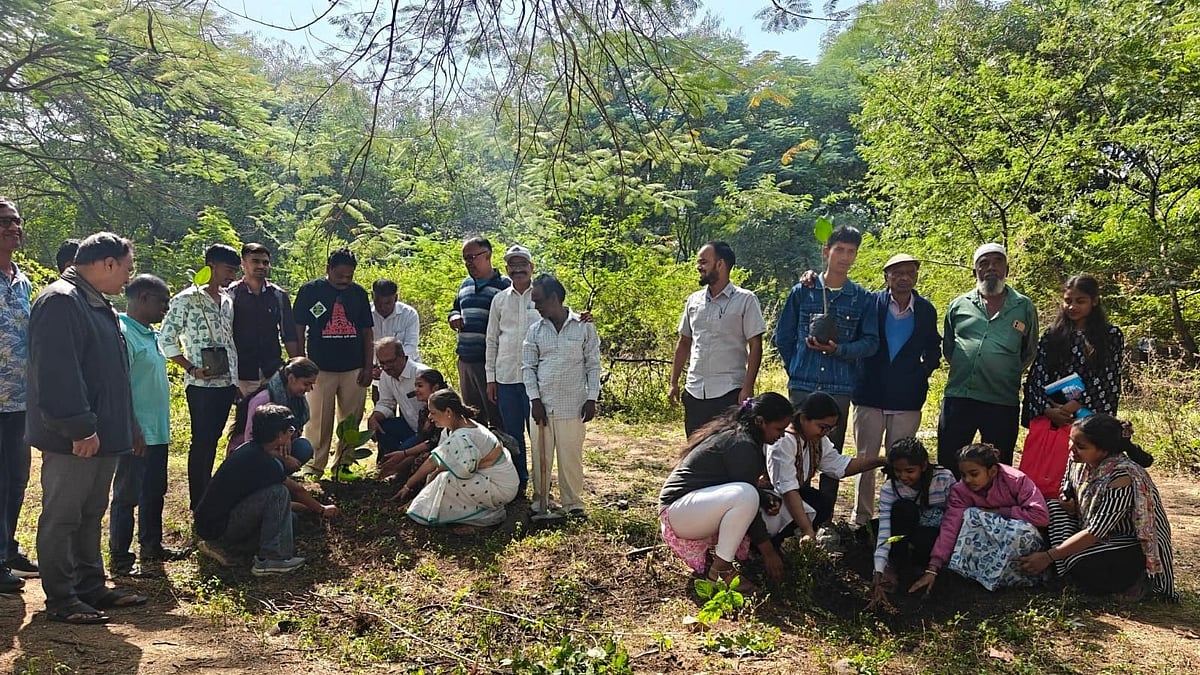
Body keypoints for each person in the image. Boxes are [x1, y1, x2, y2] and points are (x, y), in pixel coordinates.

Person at [28, 232, 144, 624]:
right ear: (108, 263)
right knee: (63, 514)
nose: (128, 279)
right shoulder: (61, 301)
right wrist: (79, 428)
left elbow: (113, 374)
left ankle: (90, 586)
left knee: (92, 510)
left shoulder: (97, 303)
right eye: (127, 269)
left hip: (104, 433)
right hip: (75, 437)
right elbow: (59, 373)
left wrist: (128, 426)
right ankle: (61, 597)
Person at [773, 225, 879, 508]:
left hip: (839, 385)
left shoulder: (861, 298)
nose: (845, 257)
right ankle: (794, 513)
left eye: (851, 252)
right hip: (803, 384)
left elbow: (871, 342)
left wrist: (840, 350)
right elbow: (782, 336)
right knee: (793, 447)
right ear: (826, 251)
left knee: (832, 451)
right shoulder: (802, 292)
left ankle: (825, 517)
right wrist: (796, 365)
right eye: (839, 250)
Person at [1018, 415, 1176, 601]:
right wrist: (1068, 500)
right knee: (1052, 508)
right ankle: (1064, 570)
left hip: (1128, 542)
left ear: (1103, 451)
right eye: (1071, 441)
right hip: (1093, 530)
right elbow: (1066, 486)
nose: (1071, 449)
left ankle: (1135, 581)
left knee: (1077, 561)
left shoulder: (1122, 477)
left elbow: (1097, 531)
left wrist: (1048, 556)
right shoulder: (1078, 461)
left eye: (1081, 446)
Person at [658, 393, 793, 591]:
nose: (781, 435)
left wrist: (765, 498)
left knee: (762, 503)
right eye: (779, 429)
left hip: (694, 509)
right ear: (760, 421)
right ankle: (721, 570)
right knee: (747, 495)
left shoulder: (743, 437)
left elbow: (730, 485)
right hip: (678, 514)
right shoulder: (741, 444)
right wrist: (769, 553)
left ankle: (731, 558)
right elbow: (745, 495)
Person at [849, 253, 941, 527]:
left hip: (907, 398)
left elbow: (933, 347)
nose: (903, 278)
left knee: (901, 461)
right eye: (896, 273)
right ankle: (861, 518)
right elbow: (855, 340)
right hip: (869, 394)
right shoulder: (870, 304)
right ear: (886, 276)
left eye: (909, 273)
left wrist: (922, 372)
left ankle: (894, 516)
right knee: (865, 459)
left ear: (916, 276)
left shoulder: (925, 310)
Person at [195, 404, 337, 576]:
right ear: (279, 435)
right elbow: (296, 490)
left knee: (289, 519)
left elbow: (256, 501)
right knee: (279, 492)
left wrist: (303, 508)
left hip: (216, 522)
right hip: (218, 527)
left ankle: (232, 548)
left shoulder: (251, 450)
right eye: (290, 431)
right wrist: (322, 510)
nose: (292, 435)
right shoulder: (263, 461)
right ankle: (272, 559)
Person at [109, 274, 189, 578]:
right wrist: (133, 428)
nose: (165, 308)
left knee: (155, 490)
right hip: (137, 432)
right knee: (127, 493)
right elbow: (120, 387)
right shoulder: (123, 332)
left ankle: (152, 547)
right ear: (143, 298)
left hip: (157, 431)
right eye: (162, 301)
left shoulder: (151, 334)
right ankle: (120, 556)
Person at [1020, 275, 1123, 496]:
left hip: (1086, 416)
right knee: (1042, 477)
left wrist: (1073, 407)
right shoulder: (1052, 334)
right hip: (1050, 417)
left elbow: (1108, 379)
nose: (1072, 306)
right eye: (1068, 300)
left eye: (1080, 300)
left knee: (1078, 479)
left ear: (1094, 301)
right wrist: (1047, 409)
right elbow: (1037, 375)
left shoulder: (1110, 335)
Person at [939, 243, 1038, 471]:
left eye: (997, 262)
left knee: (998, 465)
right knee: (950, 461)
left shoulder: (1023, 307)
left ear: (1007, 269)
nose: (991, 267)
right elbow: (950, 348)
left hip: (1001, 399)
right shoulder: (958, 305)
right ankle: (949, 506)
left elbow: (1029, 350)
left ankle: (994, 507)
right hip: (960, 396)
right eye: (984, 263)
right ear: (975, 272)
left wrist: (1004, 369)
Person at [159, 243, 241, 510]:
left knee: (215, 438)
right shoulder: (186, 299)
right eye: (228, 269)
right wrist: (190, 367)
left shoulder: (228, 300)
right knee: (202, 440)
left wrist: (235, 380)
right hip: (200, 384)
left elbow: (229, 341)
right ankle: (199, 500)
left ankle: (209, 493)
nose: (231, 275)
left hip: (226, 381)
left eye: (234, 270)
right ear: (211, 266)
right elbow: (166, 339)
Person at [910, 444, 1048, 594]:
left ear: (993, 471)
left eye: (974, 474)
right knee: (970, 517)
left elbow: (1040, 516)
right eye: (963, 475)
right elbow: (950, 527)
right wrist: (933, 567)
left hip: (1020, 544)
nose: (968, 480)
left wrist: (999, 511)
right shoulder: (961, 491)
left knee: (981, 517)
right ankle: (972, 579)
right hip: (990, 545)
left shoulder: (1015, 480)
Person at [522, 274, 601, 519]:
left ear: (554, 298)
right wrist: (534, 400)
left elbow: (593, 364)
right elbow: (528, 367)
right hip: (542, 406)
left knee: (570, 457)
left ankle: (573, 504)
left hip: (573, 405)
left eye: (539, 301)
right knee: (540, 456)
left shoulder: (584, 325)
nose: (536, 306)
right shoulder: (535, 330)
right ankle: (541, 503)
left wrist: (592, 398)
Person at [669, 241, 766, 437]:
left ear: (720, 264)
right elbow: (684, 342)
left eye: (704, 262)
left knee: (726, 450)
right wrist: (674, 382)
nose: (699, 267)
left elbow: (756, 345)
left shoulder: (745, 300)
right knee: (695, 452)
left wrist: (747, 389)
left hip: (729, 393)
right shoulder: (693, 300)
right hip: (695, 391)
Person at [761, 392, 886, 544]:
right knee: (804, 506)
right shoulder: (784, 441)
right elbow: (787, 490)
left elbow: (840, 466)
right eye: (822, 427)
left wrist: (881, 461)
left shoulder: (817, 440)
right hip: (768, 499)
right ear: (803, 418)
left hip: (788, 494)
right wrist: (808, 530)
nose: (825, 433)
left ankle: (793, 540)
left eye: (829, 429)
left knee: (821, 502)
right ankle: (774, 544)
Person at [293, 248, 375, 478]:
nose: (344, 281)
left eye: (349, 276)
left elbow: (367, 332)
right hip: (319, 368)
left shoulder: (358, 294)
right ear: (328, 269)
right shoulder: (310, 291)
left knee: (351, 420)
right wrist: (300, 363)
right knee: (318, 420)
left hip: (353, 368)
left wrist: (368, 366)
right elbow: (298, 328)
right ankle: (314, 466)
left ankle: (343, 464)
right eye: (340, 276)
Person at [395, 389, 520, 533]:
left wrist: (414, 492)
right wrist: (412, 488)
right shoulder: (455, 428)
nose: (430, 417)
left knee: (444, 480)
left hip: (500, 487)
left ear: (448, 412)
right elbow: (435, 460)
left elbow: (437, 465)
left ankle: (488, 518)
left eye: (433, 412)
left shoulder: (462, 435)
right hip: (492, 480)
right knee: (437, 477)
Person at [867, 437, 956, 611]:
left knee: (925, 539)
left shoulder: (944, 479)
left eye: (909, 471)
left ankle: (924, 566)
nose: (903, 477)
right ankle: (895, 564)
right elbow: (886, 531)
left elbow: (953, 518)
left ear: (923, 466)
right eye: (898, 471)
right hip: (905, 528)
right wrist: (879, 570)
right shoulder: (890, 488)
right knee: (901, 510)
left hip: (935, 534)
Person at [0, 197, 36, 589]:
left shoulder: (22, 280)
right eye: (5, 221)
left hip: (20, 398)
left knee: (17, 476)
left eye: (16, 220)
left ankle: (8, 548)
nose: (14, 227)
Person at [485, 244, 538, 496]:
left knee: (538, 433)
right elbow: (492, 340)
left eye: (522, 265)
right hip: (505, 378)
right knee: (513, 434)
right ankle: (519, 481)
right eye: (513, 266)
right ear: (507, 269)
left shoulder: (542, 296)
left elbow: (561, 319)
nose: (518, 270)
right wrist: (490, 379)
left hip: (536, 380)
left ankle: (541, 481)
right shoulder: (499, 300)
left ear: (531, 267)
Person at [448, 236, 510, 427]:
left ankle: (502, 454)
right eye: (465, 258)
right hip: (466, 360)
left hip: (490, 364)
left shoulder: (505, 286)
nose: (469, 263)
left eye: (472, 257)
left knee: (497, 416)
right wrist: (453, 317)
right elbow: (455, 308)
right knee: (473, 416)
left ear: (488, 255)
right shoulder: (465, 285)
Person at [228, 243, 301, 396]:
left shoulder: (278, 295)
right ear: (243, 264)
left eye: (265, 262)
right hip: (242, 372)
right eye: (255, 261)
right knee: (246, 416)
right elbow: (224, 336)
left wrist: (297, 367)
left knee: (274, 415)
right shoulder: (230, 295)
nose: (261, 266)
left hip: (272, 370)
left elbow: (288, 334)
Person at [228, 357, 320, 467]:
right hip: (250, 452)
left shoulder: (297, 400)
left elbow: (296, 429)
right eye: (306, 384)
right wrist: (284, 458)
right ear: (291, 378)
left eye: (311, 385)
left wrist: (288, 436)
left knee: (303, 447)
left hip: (274, 447)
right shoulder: (263, 399)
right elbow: (251, 441)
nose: (309, 389)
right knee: (277, 464)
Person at [378, 368, 449, 485]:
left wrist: (404, 454)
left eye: (420, 386)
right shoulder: (424, 412)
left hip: (444, 450)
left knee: (420, 459)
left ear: (435, 388)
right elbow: (422, 439)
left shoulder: (444, 410)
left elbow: (433, 443)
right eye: (415, 386)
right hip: (428, 447)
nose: (416, 390)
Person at [366, 337, 429, 465]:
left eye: (390, 362)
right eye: (382, 364)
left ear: (402, 355)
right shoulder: (386, 376)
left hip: (429, 432)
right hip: (409, 426)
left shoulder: (422, 374)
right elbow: (386, 403)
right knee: (381, 427)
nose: (386, 367)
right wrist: (374, 417)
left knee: (403, 453)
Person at [371, 278, 420, 363]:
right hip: (373, 367)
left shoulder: (409, 314)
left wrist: (388, 362)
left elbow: (411, 346)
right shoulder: (364, 313)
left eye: (388, 303)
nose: (382, 307)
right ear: (372, 296)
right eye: (378, 303)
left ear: (396, 298)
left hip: (406, 364)